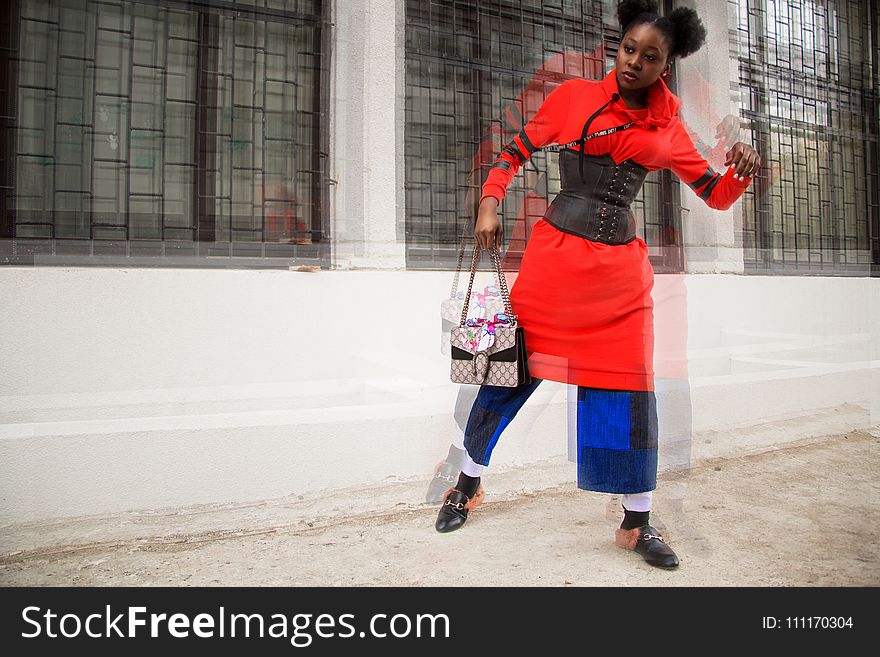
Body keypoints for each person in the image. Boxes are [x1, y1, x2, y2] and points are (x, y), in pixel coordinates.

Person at [434, 0, 760, 570]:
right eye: (628, 48)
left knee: (628, 391)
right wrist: (490, 204)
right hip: (553, 266)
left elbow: (715, 193)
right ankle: (467, 483)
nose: (633, 62)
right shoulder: (574, 98)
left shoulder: (669, 128)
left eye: (650, 57)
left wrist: (741, 169)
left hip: (619, 281)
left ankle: (636, 522)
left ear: (667, 65)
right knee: (507, 376)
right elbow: (512, 153)